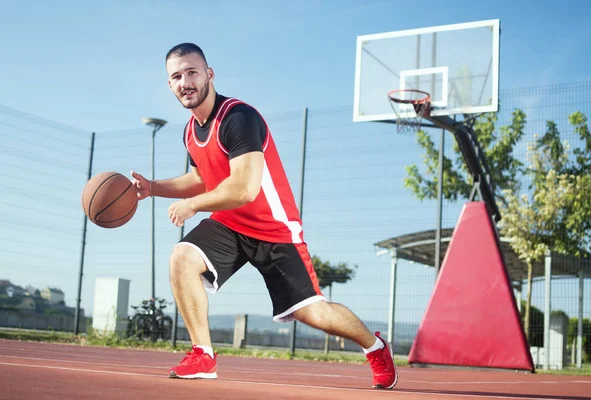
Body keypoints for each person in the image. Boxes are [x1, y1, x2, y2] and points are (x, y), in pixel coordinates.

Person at [130, 42, 398, 390]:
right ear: (169, 85)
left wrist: (194, 205)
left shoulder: (239, 118)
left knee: (314, 313)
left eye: (192, 72)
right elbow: (198, 178)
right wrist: (153, 187)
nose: (185, 82)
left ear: (209, 75)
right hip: (229, 224)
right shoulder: (189, 131)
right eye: (176, 76)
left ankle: (375, 347)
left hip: (275, 230)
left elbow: (244, 188)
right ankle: (203, 354)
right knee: (182, 256)